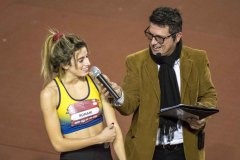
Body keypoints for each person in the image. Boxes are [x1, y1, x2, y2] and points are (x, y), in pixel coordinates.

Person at [104, 7, 217, 160]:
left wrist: (200, 116)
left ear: (177, 37)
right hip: (148, 151)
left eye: (160, 38)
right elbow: (128, 106)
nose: (153, 43)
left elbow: (209, 96)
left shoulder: (198, 59)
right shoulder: (136, 62)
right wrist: (119, 95)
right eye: (150, 35)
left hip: (186, 149)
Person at [40, 30, 126, 160]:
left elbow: (114, 129)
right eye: (81, 60)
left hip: (103, 155)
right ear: (64, 64)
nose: (88, 63)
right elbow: (58, 144)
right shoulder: (50, 94)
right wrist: (98, 139)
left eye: (87, 57)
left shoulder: (98, 81)